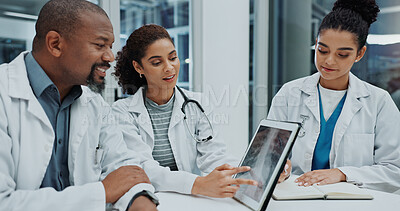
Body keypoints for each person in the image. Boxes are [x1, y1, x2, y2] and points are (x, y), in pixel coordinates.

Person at [0, 0, 158, 210]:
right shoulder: (4, 94)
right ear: (55, 44)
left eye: (110, 46)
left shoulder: (93, 102)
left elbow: (122, 167)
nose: (110, 57)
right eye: (100, 45)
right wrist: (101, 192)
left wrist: (140, 200)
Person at [267, 0, 400, 193]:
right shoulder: (289, 94)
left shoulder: (378, 101)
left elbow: (395, 169)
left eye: (342, 54)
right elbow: (268, 155)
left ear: (360, 54)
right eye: (322, 50)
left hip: (352, 201)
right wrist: (278, 167)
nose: (329, 61)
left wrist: (342, 174)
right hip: (296, 196)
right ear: (315, 44)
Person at [112, 24, 258, 198]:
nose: (169, 68)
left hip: (189, 198)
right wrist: (197, 184)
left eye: (173, 58)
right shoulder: (122, 112)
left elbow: (214, 156)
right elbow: (141, 168)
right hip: (147, 198)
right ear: (138, 67)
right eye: (157, 62)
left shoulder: (198, 103)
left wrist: (251, 172)